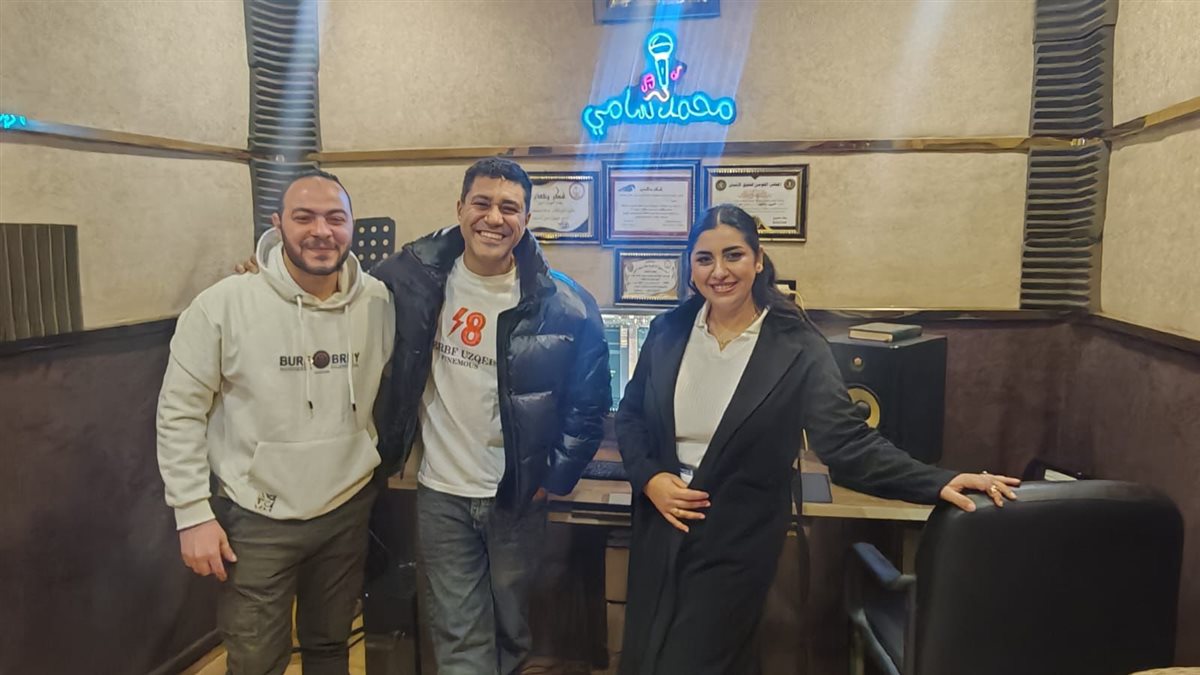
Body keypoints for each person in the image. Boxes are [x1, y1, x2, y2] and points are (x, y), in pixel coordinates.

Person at [615, 204, 1020, 675]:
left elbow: (848, 443)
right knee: (644, 657)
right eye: (704, 258)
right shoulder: (668, 330)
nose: (719, 271)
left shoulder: (798, 345)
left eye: (733, 255)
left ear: (758, 260)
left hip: (734, 538)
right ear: (691, 266)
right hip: (660, 524)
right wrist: (650, 478)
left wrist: (937, 481)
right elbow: (631, 416)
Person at [369, 157, 611, 674]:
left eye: (509, 207)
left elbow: (589, 404)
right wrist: (264, 268)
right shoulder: (411, 279)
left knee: (511, 628)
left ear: (527, 219)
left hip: (517, 497)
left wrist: (553, 478)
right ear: (460, 208)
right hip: (442, 492)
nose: (494, 218)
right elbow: (338, 293)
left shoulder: (568, 305)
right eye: (481, 203)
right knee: (458, 632)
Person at [157, 170, 395, 675]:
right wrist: (191, 512)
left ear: (352, 226)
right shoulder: (223, 304)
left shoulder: (380, 302)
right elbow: (180, 411)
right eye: (304, 217)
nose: (321, 231)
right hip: (255, 515)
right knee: (256, 660)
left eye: (335, 218)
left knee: (331, 646)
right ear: (277, 224)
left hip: (347, 506)